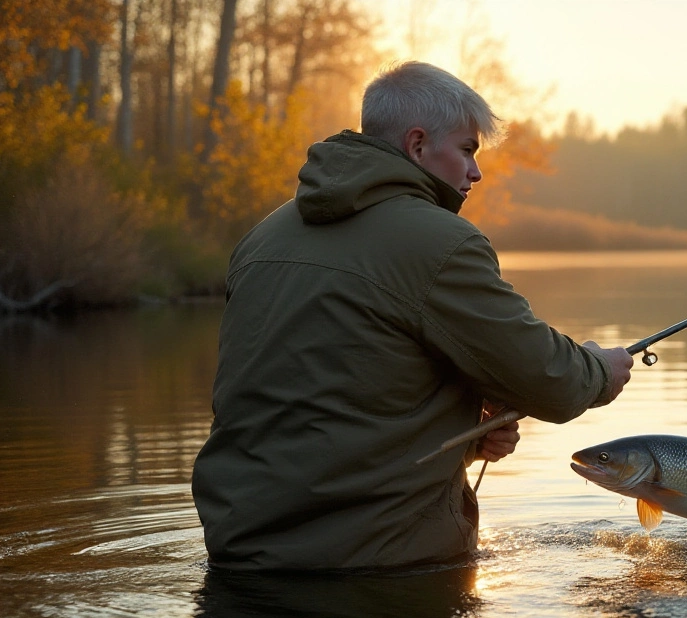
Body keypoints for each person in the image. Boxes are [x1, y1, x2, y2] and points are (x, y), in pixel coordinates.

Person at [191, 61, 633, 570]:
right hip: (377, 564)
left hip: (240, 553)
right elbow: (553, 381)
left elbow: (321, 403)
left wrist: (465, 434)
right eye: (467, 150)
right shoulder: (441, 243)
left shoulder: (262, 237)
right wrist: (600, 369)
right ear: (418, 145)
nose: (476, 171)